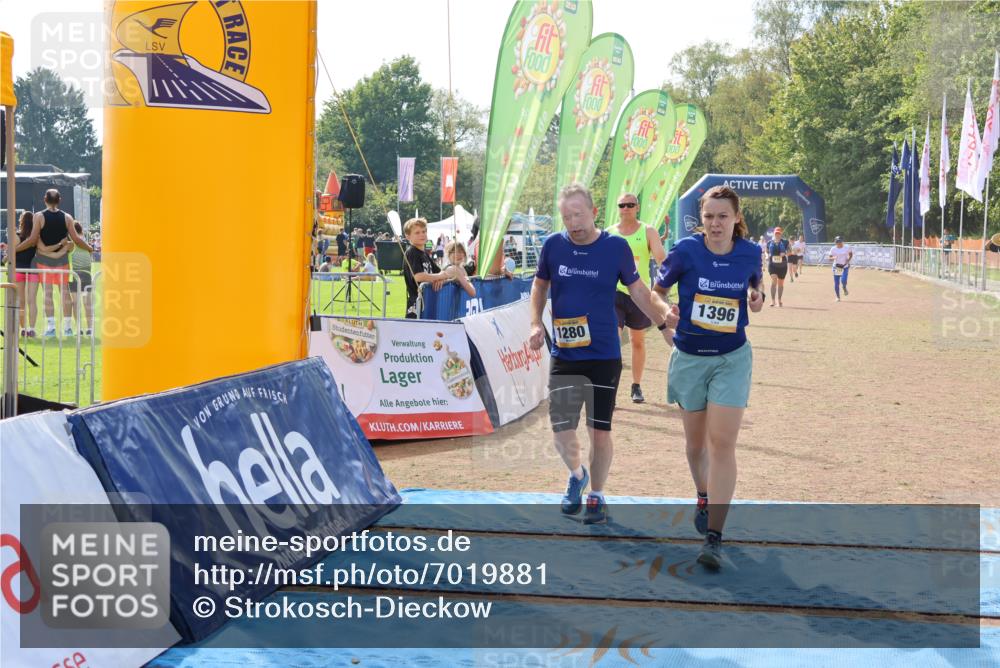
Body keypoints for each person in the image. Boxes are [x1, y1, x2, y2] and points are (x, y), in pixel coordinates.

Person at [528, 184, 677, 525]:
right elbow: (539, 284)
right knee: (561, 428)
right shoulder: (553, 246)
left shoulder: (615, 248)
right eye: (566, 217)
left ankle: (596, 494)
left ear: (594, 213)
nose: (573, 223)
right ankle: (576, 474)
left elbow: (638, 291)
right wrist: (535, 323)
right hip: (566, 354)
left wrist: (662, 324)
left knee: (599, 430)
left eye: (578, 215)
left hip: (604, 354)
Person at [652, 185, 764, 570]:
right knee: (695, 445)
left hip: (731, 358)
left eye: (723, 216)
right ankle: (703, 494)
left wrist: (757, 297)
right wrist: (665, 310)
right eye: (709, 216)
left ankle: (714, 536)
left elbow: (756, 287)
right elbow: (656, 291)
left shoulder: (750, 252)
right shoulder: (685, 251)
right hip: (689, 358)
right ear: (701, 219)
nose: (716, 223)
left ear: (736, 218)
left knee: (722, 444)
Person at [608, 192, 667, 403]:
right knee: (613, 340)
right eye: (622, 205)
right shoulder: (609, 233)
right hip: (614, 293)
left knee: (637, 341)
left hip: (639, 294)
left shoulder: (648, 231)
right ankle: (610, 389)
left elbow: (661, 259)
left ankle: (636, 385)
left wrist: (664, 286)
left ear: (637, 207)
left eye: (630, 205)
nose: (626, 208)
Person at [16, 189, 93, 337]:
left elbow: (32, 240)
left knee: (48, 294)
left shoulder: (39, 216)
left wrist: (15, 249)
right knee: (65, 293)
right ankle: (67, 328)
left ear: (45, 199)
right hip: (61, 261)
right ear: (60, 200)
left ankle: (51, 328)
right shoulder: (67, 217)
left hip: (44, 261)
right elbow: (77, 240)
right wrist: (89, 248)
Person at [403, 218, 447, 318]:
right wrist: (439, 276)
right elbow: (418, 276)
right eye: (417, 232)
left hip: (428, 301)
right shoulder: (412, 252)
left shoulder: (425, 254)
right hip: (416, 303)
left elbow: (440, 272)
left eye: (424, 231)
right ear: (408, 236)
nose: (422, 234)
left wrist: (440, 278)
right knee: (415, 328)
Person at [13, 211, 39, 337]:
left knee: (21, 301)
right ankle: (32, 329)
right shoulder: (36, 237)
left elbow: (11, 251)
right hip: (33, 269)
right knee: (32, 300)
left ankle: (23, 329)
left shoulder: (17, 236)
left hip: (19, 269)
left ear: (21, 221)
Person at [68, 222, 95, 336]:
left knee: (76, 303)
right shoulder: (84, 241)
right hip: (87, 274)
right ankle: (90, 328)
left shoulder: (71, 240)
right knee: (87, 303)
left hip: (75, 274)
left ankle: (79, 328)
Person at [766, 227, 790, 307]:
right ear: (774, 234)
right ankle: (773, 301)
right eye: (776, 233)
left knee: (780, 283)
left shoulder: (785, 242)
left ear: (781, 234)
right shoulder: (769, 242)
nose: (777, 235)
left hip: (782, 265)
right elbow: (766, 251)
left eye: (779, 233)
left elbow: (790, 251)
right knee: (774, 280)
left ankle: (779, 300)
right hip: (772, 265)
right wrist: (767, 255)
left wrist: (785, 253)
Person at [828, 235, 853, 301]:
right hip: (837, 267)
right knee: (837, 283)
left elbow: (851, 254)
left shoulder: (847, 247)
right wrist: (834, 257)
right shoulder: (833, 249)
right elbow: (829, 258)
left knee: (843, 280)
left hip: (844, 266)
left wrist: (848, 260)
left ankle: (844, 287)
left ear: (842, 242)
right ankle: (838, 297)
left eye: (840, 242)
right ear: (835, 242)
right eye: (837, 242)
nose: (838, 243)